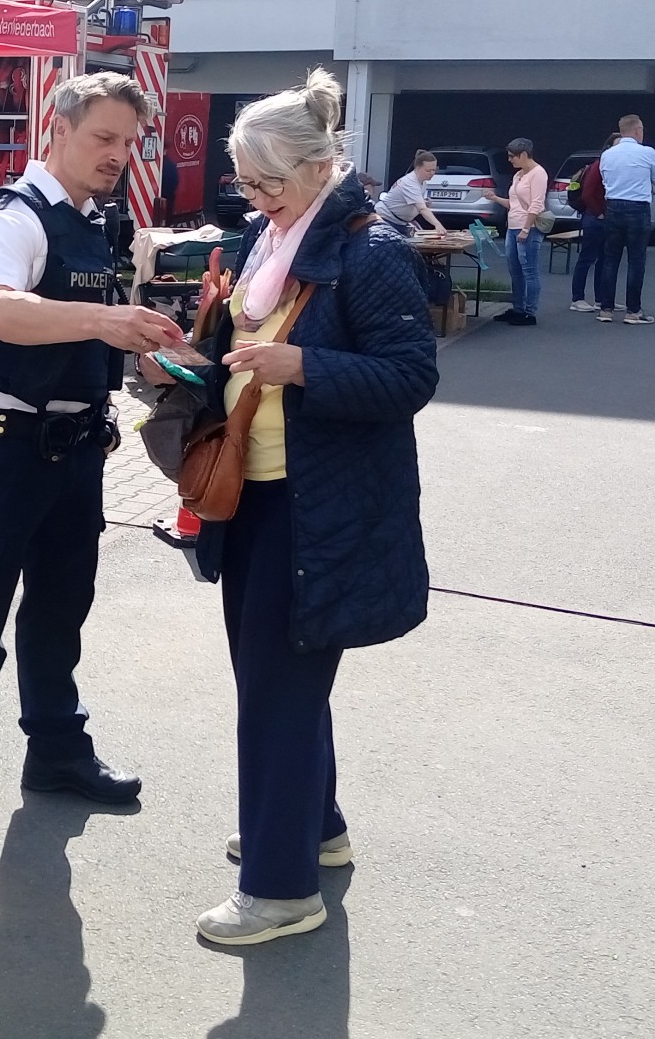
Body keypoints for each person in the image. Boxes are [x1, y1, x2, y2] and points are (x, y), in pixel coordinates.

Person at [141, 69, 435, 946]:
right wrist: (187, 360)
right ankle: (314, 828)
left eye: (269, 182)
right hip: (262, 498)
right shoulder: (268, 246)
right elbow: (240, 356)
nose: (258, 198)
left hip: (321, 508)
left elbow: (412, 377)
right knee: (285, 681)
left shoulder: (368, 251)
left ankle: (280, 888)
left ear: (319, 169)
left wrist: (301, 368)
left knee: (277, 689)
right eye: (248, 182)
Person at [0, 72, 184, 870]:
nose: (116, 157)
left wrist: (158, 357)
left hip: (73, 456)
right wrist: (108, 319)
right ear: (55, 129)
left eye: (127, 145)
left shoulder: (93, 225)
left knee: (60, 611)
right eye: (103, 138)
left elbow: (81, 337)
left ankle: (57, 751)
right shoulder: (6, 215)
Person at [596, 114, 655, 324]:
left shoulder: (607, 155)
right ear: (636, 130)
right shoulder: (647, 152)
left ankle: (606, 309)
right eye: (642, 129)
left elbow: (605, 178)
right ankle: (633, 311)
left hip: (613, 207)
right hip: (637, 208)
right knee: (636, 260)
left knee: (610, 259)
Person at [483, 138, 547, 326]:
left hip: (528, 228)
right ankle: (518, 307)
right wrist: (495, 198)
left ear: (524, 155)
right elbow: (514, 204)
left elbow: (536, 204)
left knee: (529, 270)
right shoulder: (519, 175)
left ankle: (529, 311)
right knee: (515, 270)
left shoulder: (538, 174)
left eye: (513, 156)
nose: (510, 160)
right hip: (513, 226)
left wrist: (526, 229)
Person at [568, 134, 620, 312]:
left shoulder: (612, 167)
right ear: (608, 148)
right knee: (587, 258)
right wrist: (598, 213)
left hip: (605, 218)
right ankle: (577, 298)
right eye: (617, 146)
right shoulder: (599, 166)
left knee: (604, 260)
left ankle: (601, 298)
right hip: (594, 219)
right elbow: (587, 194)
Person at [375, 150, 449, 235]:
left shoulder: (422, 182)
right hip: (386, 219)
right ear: (417, 168)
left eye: (434, 170)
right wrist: (438, 225)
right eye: (428, 171)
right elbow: (422, 209)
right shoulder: (409, 182)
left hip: (399, 222)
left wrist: (423, 201)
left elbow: (412, 202)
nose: (432, 173)